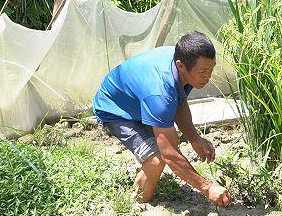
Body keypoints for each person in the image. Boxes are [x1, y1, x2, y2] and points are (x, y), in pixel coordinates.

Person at [92, 31, 231, 207]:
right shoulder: (160, 94)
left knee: (164, 145)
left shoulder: (183, 62)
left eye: (211, 69)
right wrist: (207, 187)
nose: (208, 77)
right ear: (181, 66)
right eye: (203, 71)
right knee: (156, 159)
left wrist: (194, 138)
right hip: (116, 109)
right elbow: (169, 155)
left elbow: (179, 102)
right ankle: (137, 204)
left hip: (139, 99)